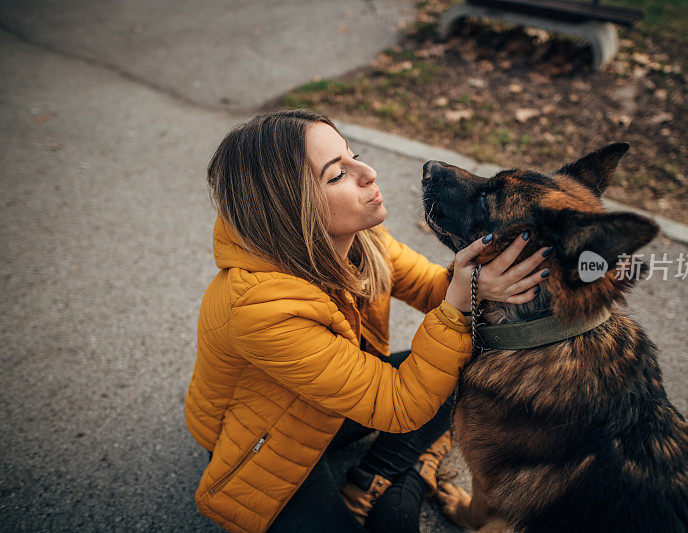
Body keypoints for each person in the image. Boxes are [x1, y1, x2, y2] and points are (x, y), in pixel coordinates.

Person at [184, 109, 551, 532]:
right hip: (264, 441)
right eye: (336, 175)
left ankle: (378, 478)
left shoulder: (359, 235)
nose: (369, 172)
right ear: (291, 209)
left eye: (353, 155)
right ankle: (412, 473)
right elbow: (399, 404)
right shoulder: (259, 309)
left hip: (336, 399)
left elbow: (432, 288)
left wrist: (479, 279)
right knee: (441, 370)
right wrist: (460, 303)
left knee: (466, 367)